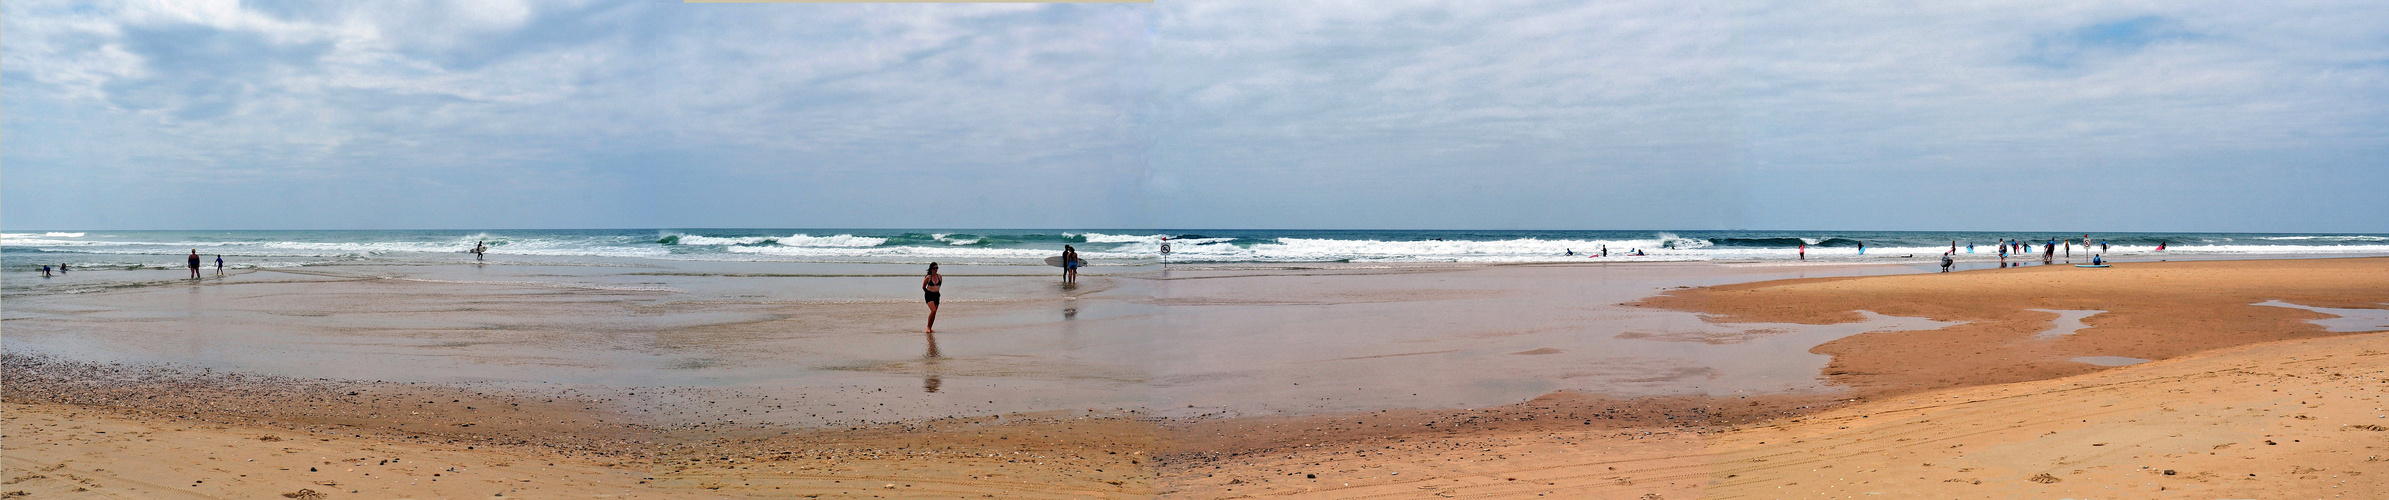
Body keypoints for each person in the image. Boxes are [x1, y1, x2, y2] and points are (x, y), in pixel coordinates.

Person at [922, 263, 942, 333]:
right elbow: (923, 287)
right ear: (931, 269)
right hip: (929, 295)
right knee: (933, 310)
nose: (936, 270)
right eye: (934, 268)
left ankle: (930, 328)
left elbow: (940, 285)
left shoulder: (939, 276)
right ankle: (927, 327)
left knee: (934, 312)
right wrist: (928, 292)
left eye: (937, 268)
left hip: (936, 295)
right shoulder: (928, 277)